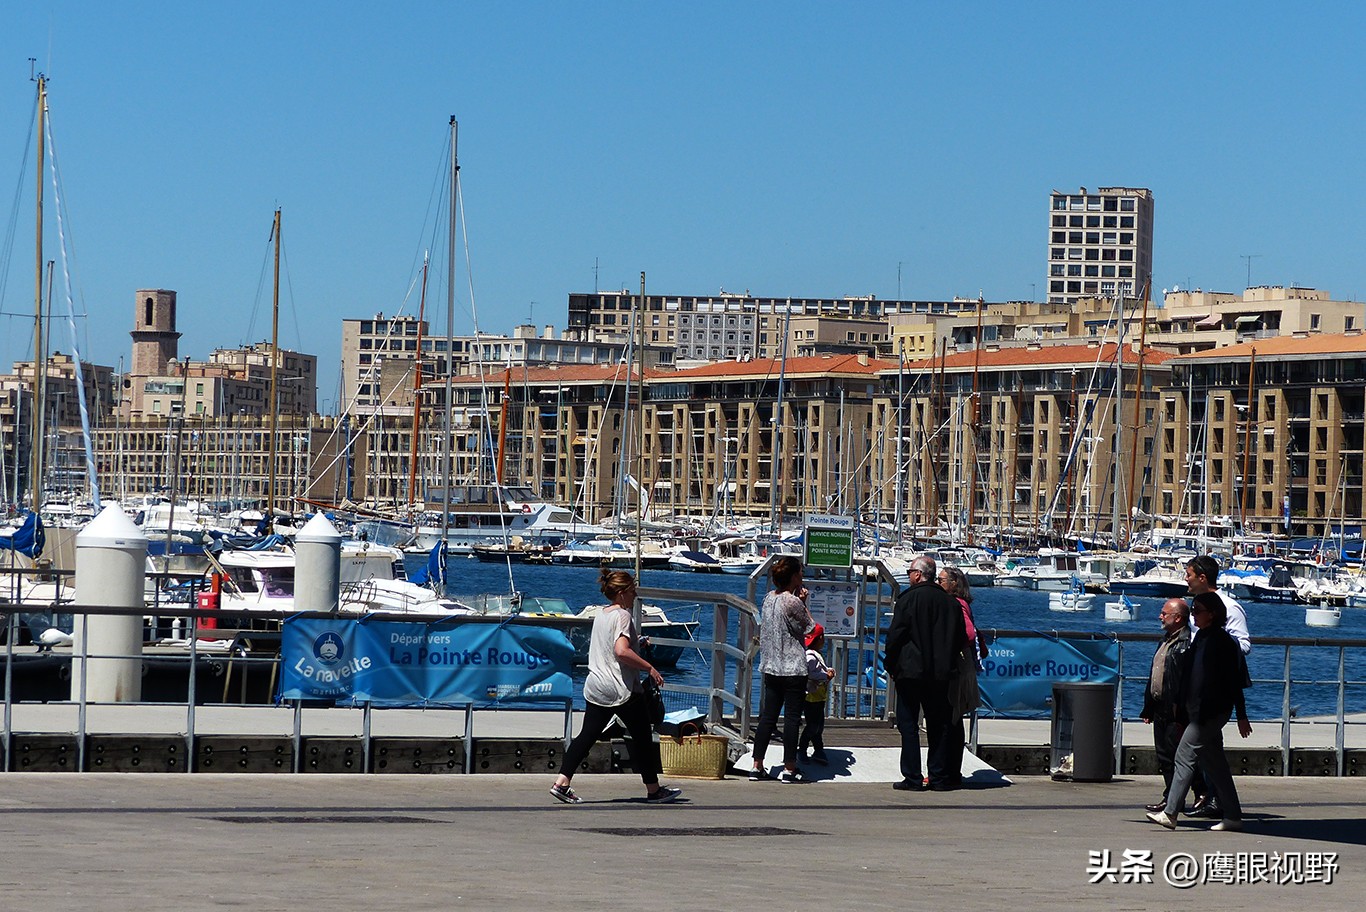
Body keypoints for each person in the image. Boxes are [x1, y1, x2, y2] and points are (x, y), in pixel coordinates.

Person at [550, 569, 682, 805]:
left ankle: (561, 782)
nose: (635, 595)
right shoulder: (623, 615)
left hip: (596, 685)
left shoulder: (602, 614)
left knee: (587, 736)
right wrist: (649, 667)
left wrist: (637, 642)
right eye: (632, 591)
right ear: (621, 593)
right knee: (642, 737)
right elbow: (621, 651)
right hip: (619, 689)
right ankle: (654, 790)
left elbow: (612, 644)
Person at [1147, 590, 1253, 832]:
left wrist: (1242, 715)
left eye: (1198, 611)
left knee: (1184, 755)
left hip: (1212, 711)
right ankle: (1233, 816)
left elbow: (1234, 682)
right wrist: (1180, 707)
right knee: (1215, 764)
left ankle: (1171, 812)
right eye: (1192, 611)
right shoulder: (1201, 639)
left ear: (1213, 614)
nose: (1193, 615)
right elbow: (1187, 678)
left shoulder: (1224, 642)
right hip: (1197, 710)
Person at [885, 556, 966, 792]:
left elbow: (895, 637)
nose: (909, 575)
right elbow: (960, 639)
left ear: (919, 575)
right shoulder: (951, 604)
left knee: (908, 724)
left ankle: (912, 777)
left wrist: (891, 665)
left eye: (911, 571)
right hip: (940, 674)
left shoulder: (908, 600)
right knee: (938, 724)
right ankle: (938, 777)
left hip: (910, 672)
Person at [1184, 554, 1252, 818]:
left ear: (1202, 577)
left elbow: (1244, 644)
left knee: (1201, 747)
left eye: (1189, 574)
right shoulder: (1196, 605)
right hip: (1196, 684)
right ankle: (1212, 799)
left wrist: (1216, 646)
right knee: (1207, 748)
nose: (1185, 580)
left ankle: (1211, 800)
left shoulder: (1230, 607)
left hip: (1215, 687)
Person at [750, 555, 813, 783]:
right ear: (794, 576)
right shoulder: (793, 601)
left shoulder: (769, 598)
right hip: (793, 667)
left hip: (771, 665)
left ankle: (757, 765)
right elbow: (809, 628)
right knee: (792, 718)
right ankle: (790, 767)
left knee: (768, 717)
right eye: (800, 573)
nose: (802, 576)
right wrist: (804, 603)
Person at [1139, 597, 1191, 813]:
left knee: (1176, 755)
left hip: (1175, 709)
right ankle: (1171, 797)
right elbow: (1155, 674)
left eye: (1164, 613)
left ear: (1178, 618)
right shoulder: (1165, 641)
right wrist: (1148, 707)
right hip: (1159, 707)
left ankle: (1180, 799)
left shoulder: (1186, 643)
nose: (1160, 616)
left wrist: (1180, 709)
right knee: (1163, 756)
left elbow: (1183, 680)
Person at [937, 566, 985, 763]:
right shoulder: (963, 602)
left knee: (952, 717)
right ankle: (953, 767)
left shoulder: (956, 603)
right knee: (955, 718)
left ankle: (949, 765)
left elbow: (969, 633)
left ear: (953, 583)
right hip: (964, 662)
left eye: (941, 580)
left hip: (958, 664)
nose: (938, 583)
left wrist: (948, 644)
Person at [799, 624, 836, 764]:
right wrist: (825, 676)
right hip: (811, 697)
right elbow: (811, 673)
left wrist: (828, 672)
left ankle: (818, 749)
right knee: (813, 725)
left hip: (818, 696)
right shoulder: (811, 657)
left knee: (818, 724)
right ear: (821, 638)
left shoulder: (814, 655)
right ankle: (802, 749)